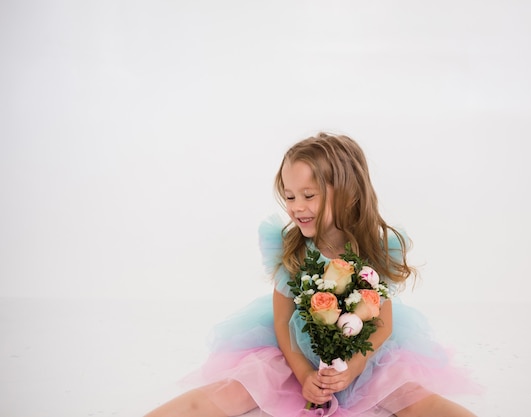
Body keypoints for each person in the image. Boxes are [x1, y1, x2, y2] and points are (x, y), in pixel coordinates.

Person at [143, 132, 480, 416]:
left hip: (360, 355)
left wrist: (356, 366)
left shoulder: (372, 248)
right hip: (294, 354)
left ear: (347, 195)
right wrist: (304, 373)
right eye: (289, 196)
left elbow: (384, 323)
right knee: (232, 391)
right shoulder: (290, 247)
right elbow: (281, 322)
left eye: (308, 196)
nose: (296, 206)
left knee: (414, 398)